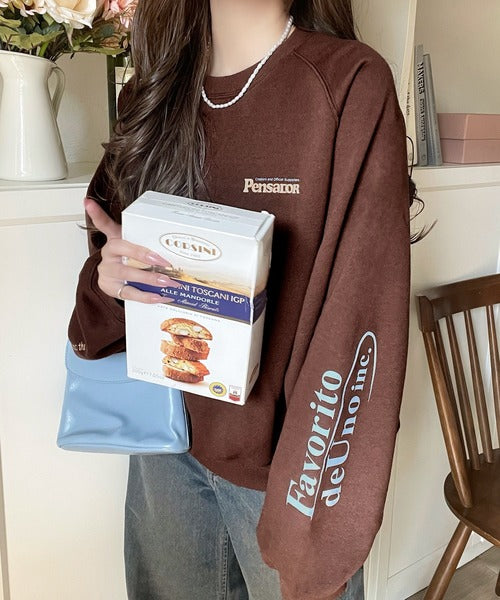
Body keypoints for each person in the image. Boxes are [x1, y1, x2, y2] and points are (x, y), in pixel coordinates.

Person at [69, 1, 418, 598]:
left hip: (287, 473)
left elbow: (361, 322)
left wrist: (315, 512)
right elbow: (103, 292)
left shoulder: (349, 84)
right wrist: (114, 282)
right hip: (163, 445)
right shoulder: (150, 96)